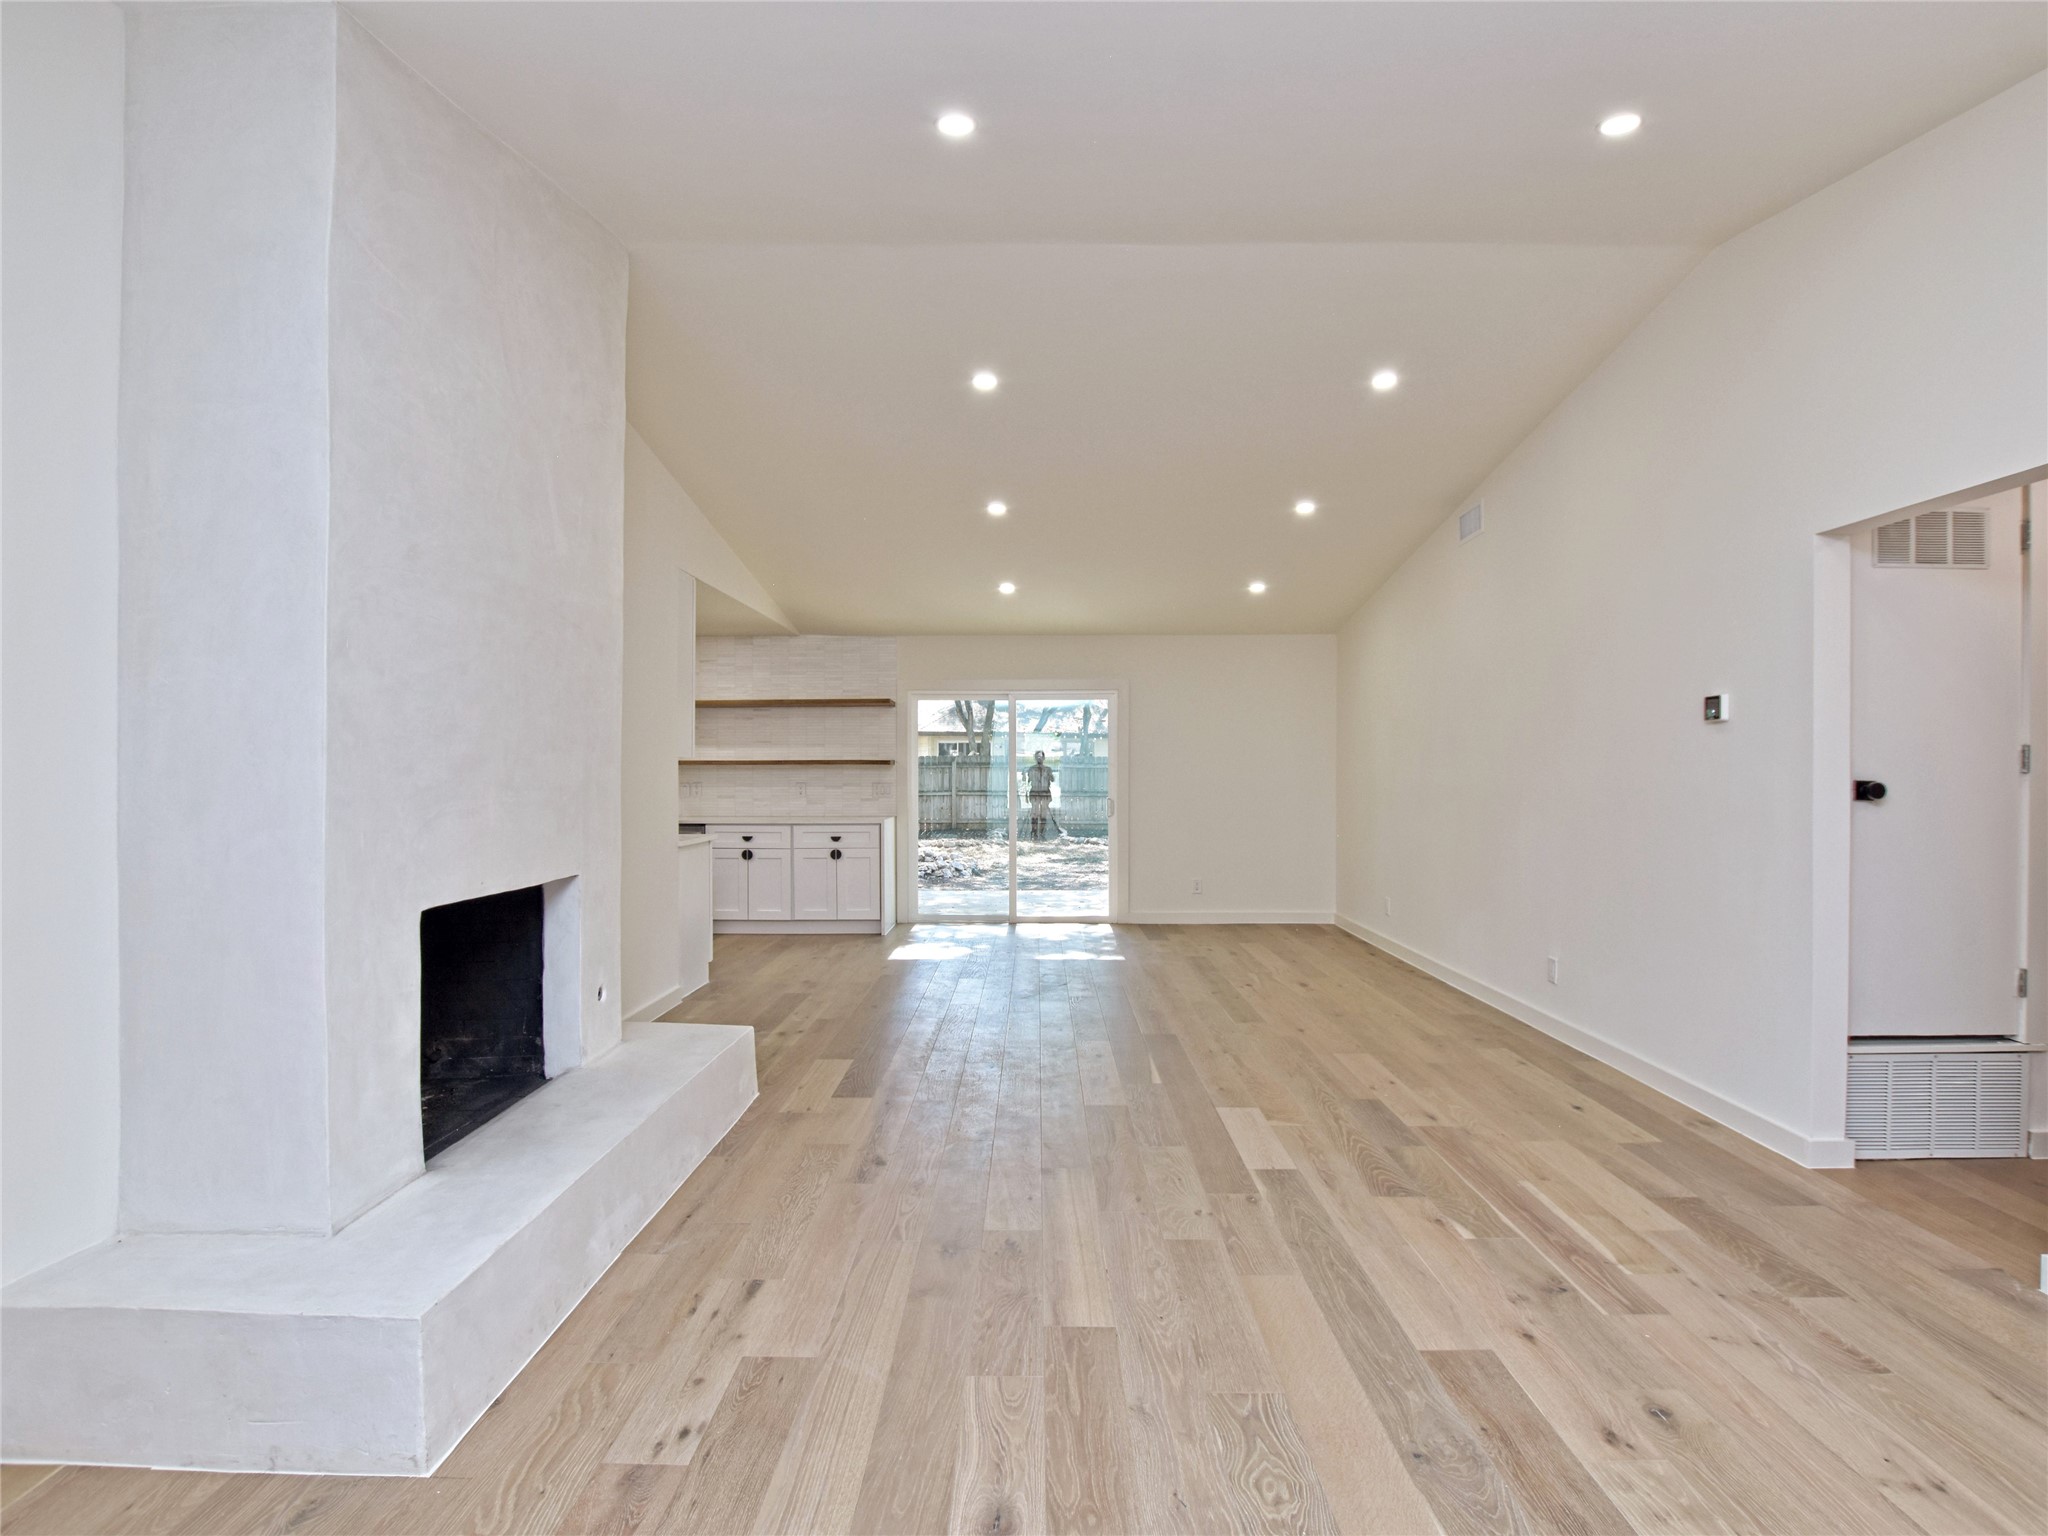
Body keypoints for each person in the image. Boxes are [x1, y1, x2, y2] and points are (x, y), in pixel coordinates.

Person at [1022, 750, 1056, 840]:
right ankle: (1034, 832)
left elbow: (1052, 779)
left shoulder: (1048, 769)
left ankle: (1041, 832)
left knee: (1043, 814)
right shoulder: (1031, 769)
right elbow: (1027, 782)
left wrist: (1049, 775)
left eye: (1040, 756)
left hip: (1045, 793)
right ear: (1035, 758)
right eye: (1037, 756)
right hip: (1035, 792)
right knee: (1035, 813)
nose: (1039, 758)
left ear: (1044, 758)